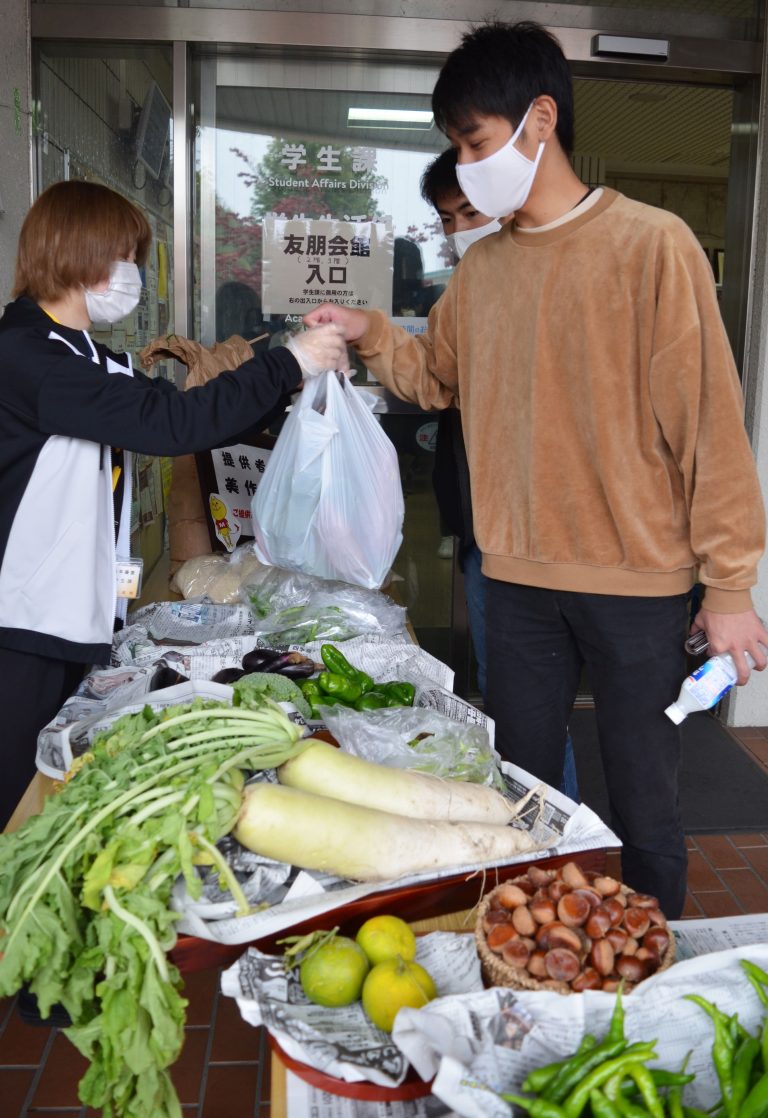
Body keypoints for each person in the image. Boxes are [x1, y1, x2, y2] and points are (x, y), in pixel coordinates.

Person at [304, 20, 768, 918]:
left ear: (540, 119)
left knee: (644, 800)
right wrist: (370, 332)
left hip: (639, 583)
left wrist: (730, 586)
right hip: (512, 583)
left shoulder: (653, 244)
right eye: (458, 148)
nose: (468, 165)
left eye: (476, 143)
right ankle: (535, 950)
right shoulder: (481, 275)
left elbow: (710, 426)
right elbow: (434, 380)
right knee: (521, 792)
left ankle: (649, 971)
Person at [0, 179, 347, 828]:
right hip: (21, 625)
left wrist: (284, 370)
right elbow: (171, 425)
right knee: (17, 800)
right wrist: (288, 363)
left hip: (73, 617)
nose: (131, 274)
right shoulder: (27, 356)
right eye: (125, 257)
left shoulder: (86, 358)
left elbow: (188, 413)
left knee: (52, 801)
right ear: (81, 254)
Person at [422, 147, 580, 804]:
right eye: (448, 219)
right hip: (487, 535)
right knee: (514, 695)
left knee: (531, 701)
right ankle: (541, 832)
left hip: (548, 540)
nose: (461, 229)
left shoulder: (552, 286)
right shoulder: (464, 293)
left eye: (470, 211)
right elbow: (437, 381)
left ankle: (555, 837)